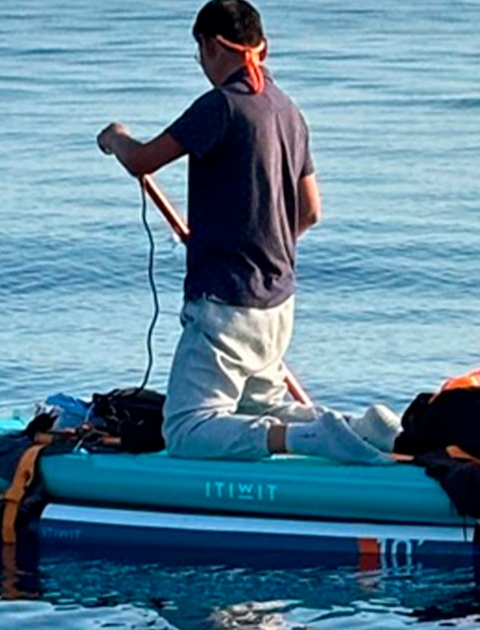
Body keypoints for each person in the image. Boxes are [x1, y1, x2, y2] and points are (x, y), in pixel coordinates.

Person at [97, 0, 398, 464]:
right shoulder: (289, 111)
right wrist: (253, 244)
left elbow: (141, 160)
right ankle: (363, 428)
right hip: (276, 304)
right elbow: (311, 211)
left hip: (224, 305)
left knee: (186, 429)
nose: (201, 65)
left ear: (212, 46)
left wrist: (115, 136)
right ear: (264, 46)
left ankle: (304, 439)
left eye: (199, 53)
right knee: (261, 405)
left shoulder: (219, 106)